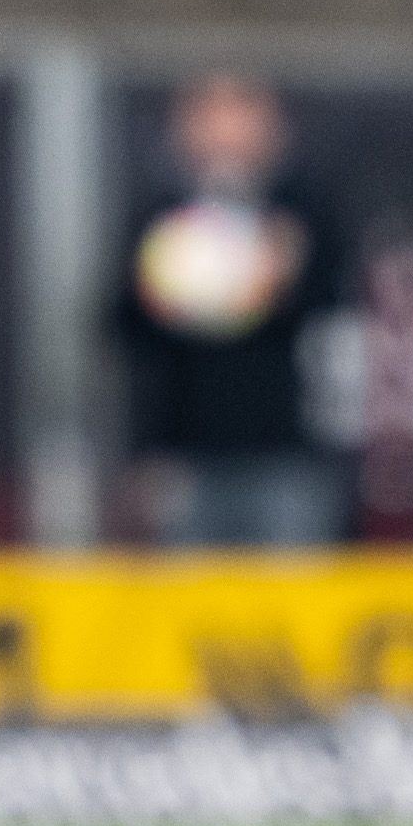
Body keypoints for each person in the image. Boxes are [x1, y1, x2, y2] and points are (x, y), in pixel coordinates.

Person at [117, 74, 347, 547]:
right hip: (185, 453)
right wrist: (166, 295)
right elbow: (121, 326)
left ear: (271, 126)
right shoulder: (159, 217)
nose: (226, 130)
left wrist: (283, 277)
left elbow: (330, 306)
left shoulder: (301, 211)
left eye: (241, 111)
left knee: (293, 609)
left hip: (285, 450)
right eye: (210, 113)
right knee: (189, 610)